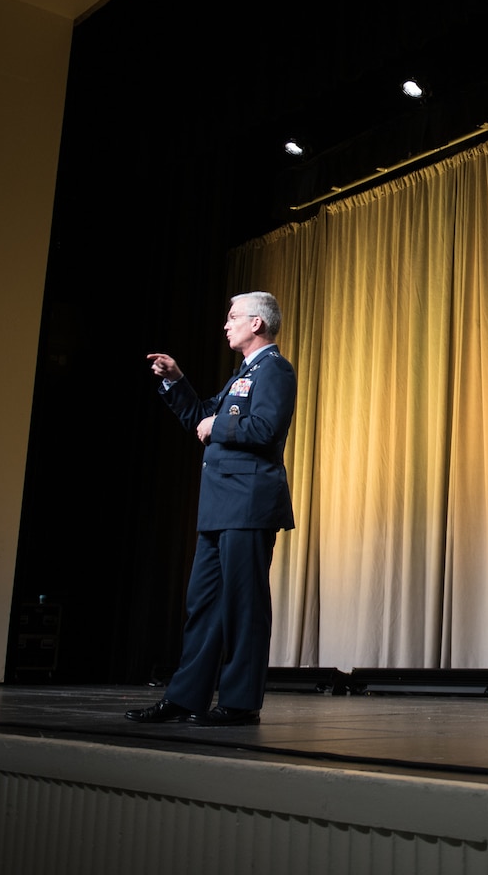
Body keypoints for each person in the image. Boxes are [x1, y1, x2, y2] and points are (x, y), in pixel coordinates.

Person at [127, 291, 296, 725]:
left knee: (244, 606)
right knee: (202, 605)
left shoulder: (274, 369)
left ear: (256, 323)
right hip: (220, 508)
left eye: (233, 317)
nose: (226, 324)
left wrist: (216, 424)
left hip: (249, 503)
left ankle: (240, 704)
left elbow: (264, 427)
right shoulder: (243, 373)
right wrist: (176, 379)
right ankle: (186, 698)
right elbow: (199, 418)